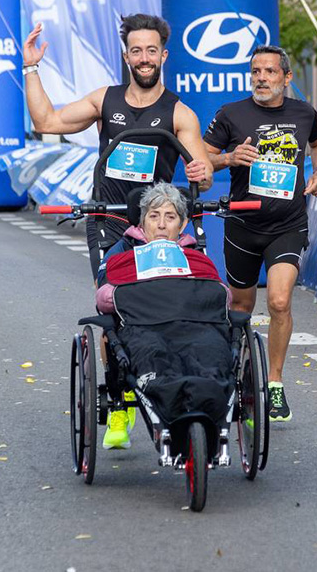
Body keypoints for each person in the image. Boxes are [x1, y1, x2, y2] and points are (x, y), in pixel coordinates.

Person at [23, 13, 213, 279]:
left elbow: (204, 181)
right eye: (136, 51)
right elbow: (46, 122)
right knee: (111, 291)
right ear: (127, 58)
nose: (144, 59)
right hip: (107, 217)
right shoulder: (104, 100)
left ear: (163, 56)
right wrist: (31, 68)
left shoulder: (180, 114)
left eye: (151, 51)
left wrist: (200, 175)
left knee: (156, 295)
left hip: (156, 224)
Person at [203, 45, 317, 423]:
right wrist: (228, 158)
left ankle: (274, 381)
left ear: (286, 78)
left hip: (287, 224)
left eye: (270, 72)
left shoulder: (304, 113)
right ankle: (237, 373)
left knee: (278, 302)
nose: (261, 78)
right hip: (242, 225)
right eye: (256, 71)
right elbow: (199, 155)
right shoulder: (231, 114)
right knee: (241, 308)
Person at [94, 183, 230, 450]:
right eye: (154, 216)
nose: (161, 225)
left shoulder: (194, 254)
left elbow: (220, 294)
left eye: (170, 217)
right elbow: (103, 298)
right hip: (143, 327)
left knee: (210, 354)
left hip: (195, 325)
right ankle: (120, 408)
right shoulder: (122, 251)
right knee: (153, 357)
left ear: (182, 224)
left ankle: (203, 411)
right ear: (142, 221)